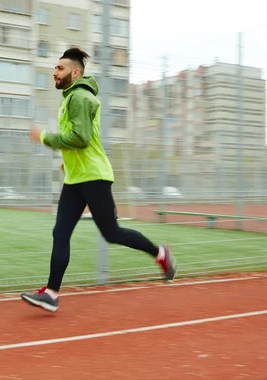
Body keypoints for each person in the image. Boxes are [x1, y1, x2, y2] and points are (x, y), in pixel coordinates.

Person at [22, 47, 177, 313]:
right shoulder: (72, 97)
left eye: (59, 69)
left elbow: (80, 138)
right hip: (76, 178)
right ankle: (51, 293)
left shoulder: (79, 97)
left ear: (75, 72)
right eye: (55, 69)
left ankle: (160, 254)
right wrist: (68, 161)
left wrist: (45, 137)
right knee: (60, 232)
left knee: (112, 233)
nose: (54, 73)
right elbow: (80, 138)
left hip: (94, 177)